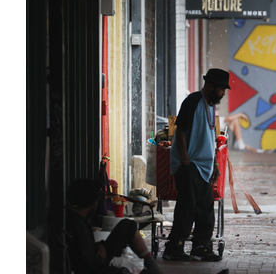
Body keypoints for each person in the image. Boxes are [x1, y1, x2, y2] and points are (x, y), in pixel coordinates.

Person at [163, 68, 230, 262]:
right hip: (190, 164)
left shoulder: (211, 105)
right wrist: (184, 160)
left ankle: (201, 246)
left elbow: (209, 137)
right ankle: (173, 248)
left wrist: (215, 163)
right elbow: (181, 131)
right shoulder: (193, 102)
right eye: (221, 89)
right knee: (187, 208)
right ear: (210, 86)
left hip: (205, 167)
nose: (223, 93)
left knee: (205, 208)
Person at [65, 178, 166, 274]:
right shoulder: (77, 224)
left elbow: (85, 250)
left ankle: (154, 268)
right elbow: (88, 263)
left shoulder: (77, 219)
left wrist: (100, 245)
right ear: (92, 203)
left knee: (128, 225)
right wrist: (115, 263)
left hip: (97, 257)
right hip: (97, 269)